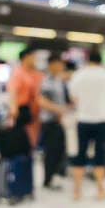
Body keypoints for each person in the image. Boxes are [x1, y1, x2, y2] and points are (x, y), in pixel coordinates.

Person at [68, 51, 105, 200]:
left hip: (83, 119)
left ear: (88, 61)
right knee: (100, 155)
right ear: (101, 61)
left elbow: (73, 99)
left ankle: (77, 192)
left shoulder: (78, 75)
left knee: (79, 154)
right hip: (102, 119)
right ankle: (100, 190)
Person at [38, 53, 69, 191]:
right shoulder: (46, 81)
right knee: (50, 152)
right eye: (59, 63)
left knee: (59, 151)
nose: (61, 66)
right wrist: (58, 110)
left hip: (60, 121)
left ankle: (56, 176)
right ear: (51, 64)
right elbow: (42, 101)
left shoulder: (59, 80)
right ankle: (48, 179)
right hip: (50, 121)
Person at [7, 48, 42, 148]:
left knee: (30, 141)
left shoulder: (32, 73)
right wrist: (13, 109)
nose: (35, 60)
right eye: (33, 58)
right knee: (20, 141)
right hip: (21, 110)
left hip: (32, 112)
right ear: (26, 58)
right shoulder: (18, 73)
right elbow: (12, 91)